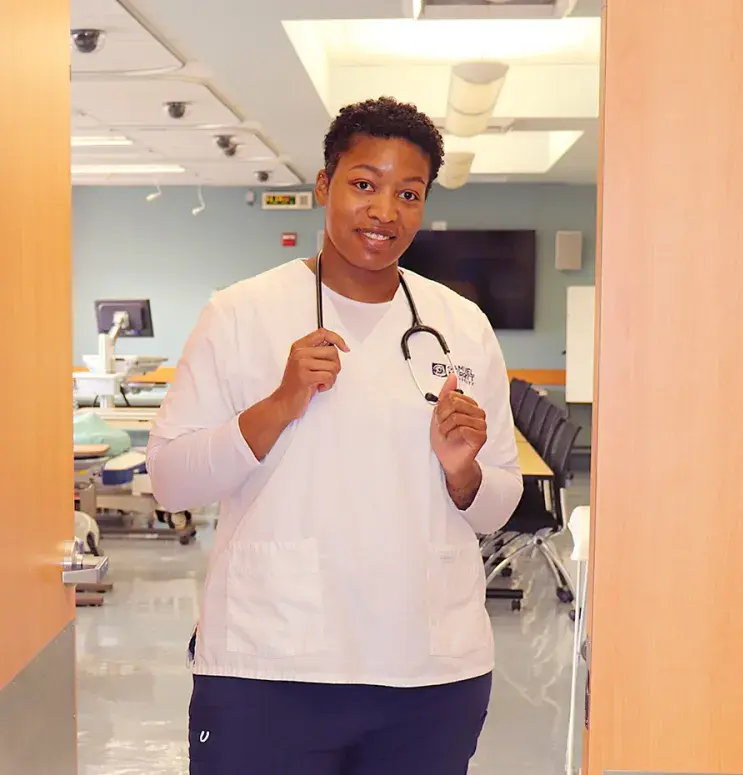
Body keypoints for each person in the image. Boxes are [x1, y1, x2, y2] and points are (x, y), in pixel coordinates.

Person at [146, 96, 523, 775]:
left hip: (428, 671)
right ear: (324, 185)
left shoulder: (461, 325)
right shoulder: (239, 313)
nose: (385, 211)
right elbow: (170, 477)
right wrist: (282, 402)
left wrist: (463, 472)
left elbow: (497, 502)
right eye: (363, 184)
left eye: (408, 193)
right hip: (270, 663)